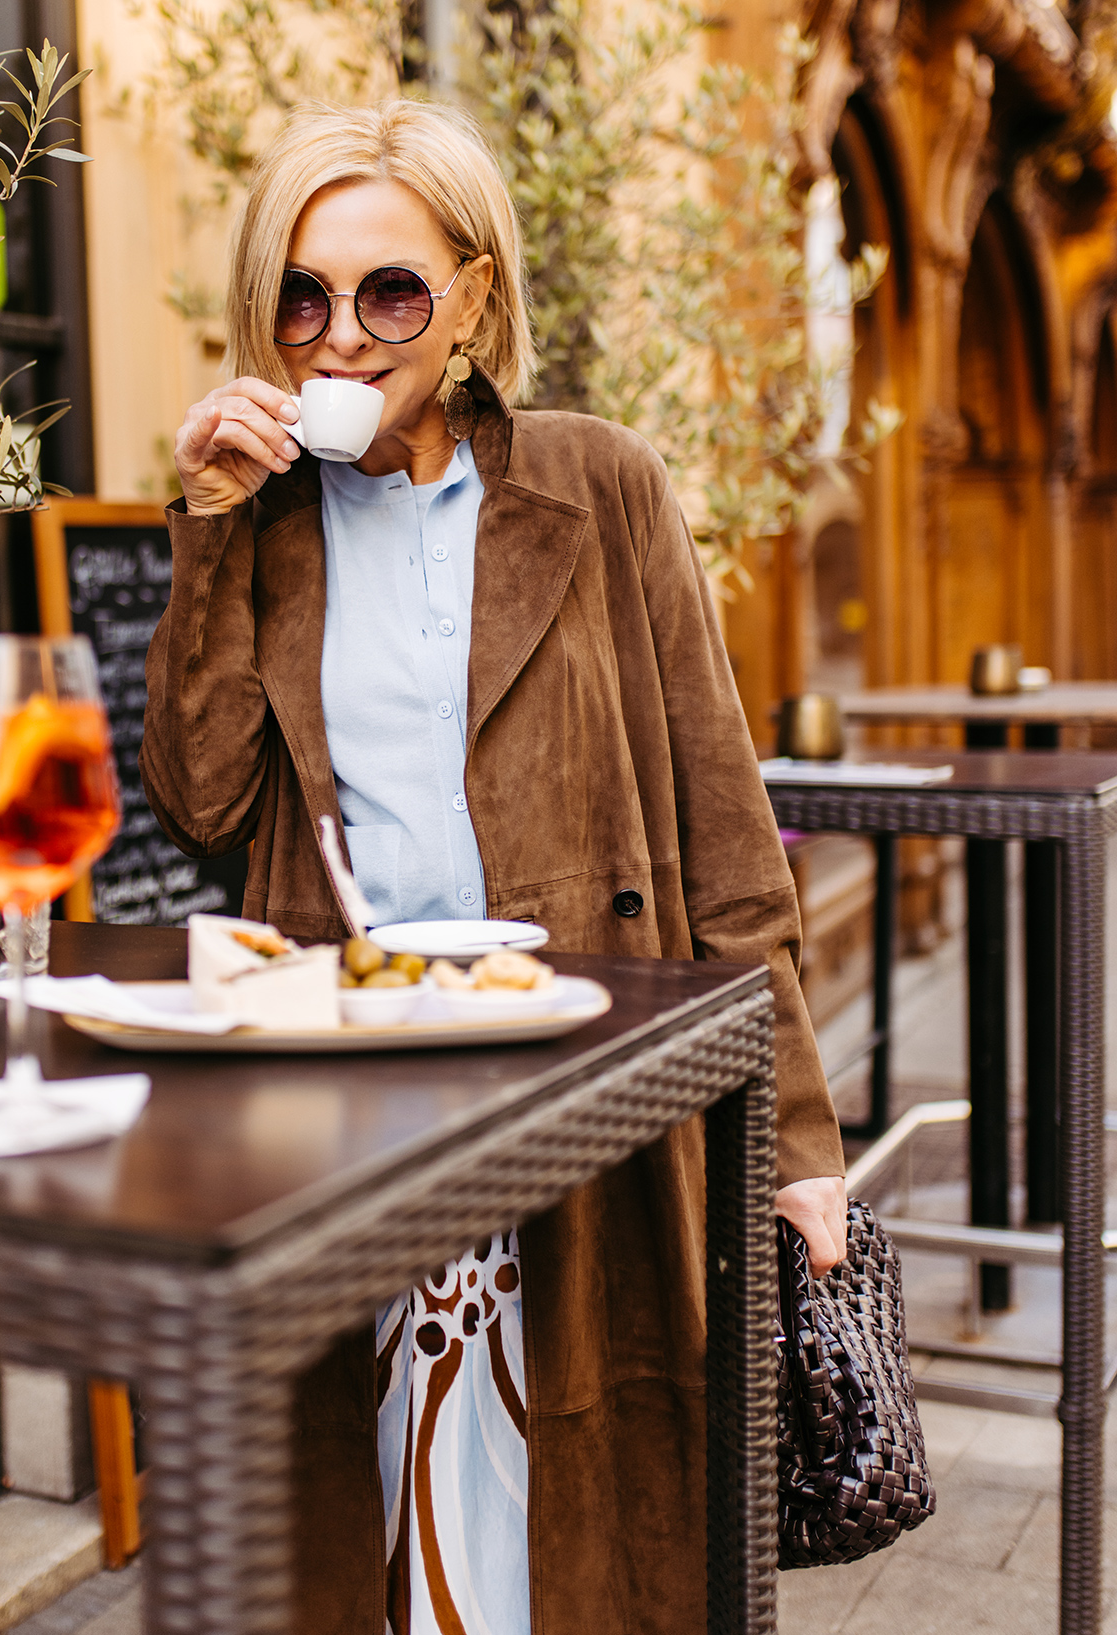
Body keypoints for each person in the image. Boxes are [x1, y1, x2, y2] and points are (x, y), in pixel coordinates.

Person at [140, 98, 846, 1635]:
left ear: (471, 296)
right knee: (385, 1498)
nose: (342, 338)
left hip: (580, 1083)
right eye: (301, 297)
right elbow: (197, 804)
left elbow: (727, 832)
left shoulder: (598, 484)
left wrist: (797, 1143)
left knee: (585, 1520)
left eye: (389, 292)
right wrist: (203, 526)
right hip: (349, 1107)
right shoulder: (258, 524)